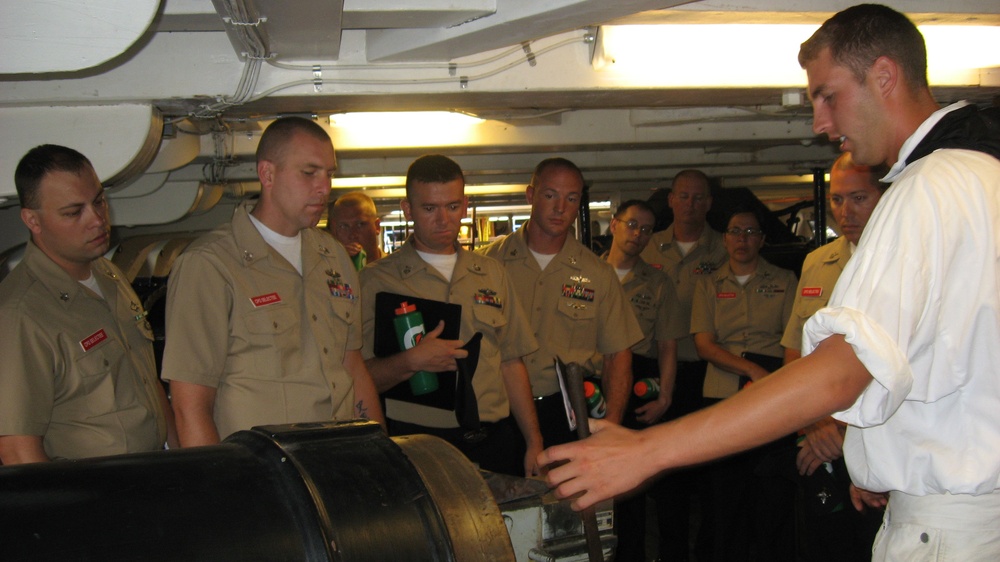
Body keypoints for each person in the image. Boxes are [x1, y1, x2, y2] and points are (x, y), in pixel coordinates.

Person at [541, 5, 1000, 560]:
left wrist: (647, 452)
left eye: (827, 95)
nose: (820, 123)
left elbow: (837, 374)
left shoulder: (928, 188)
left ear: (884, 75)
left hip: (948, 527)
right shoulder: (981, 177)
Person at [162, 116, 384, 446]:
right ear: (268, 174)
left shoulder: (333, 258)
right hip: (262, 474)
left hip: (336, 461)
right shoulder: (210, 265)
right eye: (309, 173)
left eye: (329, 174)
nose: (325, 188)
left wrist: (380, 453)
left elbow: (352, 368)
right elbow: (190, 406)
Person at [360, 155, 543, 477]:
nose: (443, 219)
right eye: (430, 208)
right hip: (418, 444)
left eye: (453, 207)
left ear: (466, 204)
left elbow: (511, 362)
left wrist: (534, 441)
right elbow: (360, 376)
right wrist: (411, 361)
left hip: (493, 439)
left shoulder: (491, 274)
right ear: (408, 209)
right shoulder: (377, 281)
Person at [0, 144, 176, 464]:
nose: (97, 220)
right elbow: (17, 448)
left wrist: (186, 464)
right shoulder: (21, 315)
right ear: (32, 221)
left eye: (98, 202)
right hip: (96, 499)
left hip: (152, 476)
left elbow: (146, 383)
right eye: (73, 212)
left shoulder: (108, 275)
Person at [479, 158, 643, 447]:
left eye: (571, 198)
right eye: (550, 195)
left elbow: (617, 355)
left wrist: (611, 427)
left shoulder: (598, 274)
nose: (560, 208)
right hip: (497, 410)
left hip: (567, 412)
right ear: (531, 195)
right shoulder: (486, 265)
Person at [782, 152, 887, 561]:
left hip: (878, 447)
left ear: (884, 198)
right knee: (827, 545)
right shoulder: (816, 263)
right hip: (819, 438)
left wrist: (845, 437)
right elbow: (795, 353)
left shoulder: (903, 267)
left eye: (859, 198)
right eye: (838, 200)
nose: (846, 212)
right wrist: (817, 424)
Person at [691, 207, 798, 561]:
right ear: (724, 238)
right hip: (723, 389)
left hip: (773, 390)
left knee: (771, 490)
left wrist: (776, 387)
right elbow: (705, 345)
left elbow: (791, 343)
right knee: (726, 492)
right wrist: (751, 370)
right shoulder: (707, 284)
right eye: (736, 232)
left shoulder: (785, 281)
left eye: (751, 232)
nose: (742, 239)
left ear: (763, 240)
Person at [640, 169, 728, 561]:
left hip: (710, 374)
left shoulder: (726, 248)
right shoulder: (648, 247)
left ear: (709, 203)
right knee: (666, 472)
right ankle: (672, 553)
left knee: (712, 475)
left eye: (699, 198)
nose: (690, 204)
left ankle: (709, 552)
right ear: (671, 200)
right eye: (683, 196)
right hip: (660, 373)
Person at [600, 199, 686, 562]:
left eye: (647, 229)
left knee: (631, 485)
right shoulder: (586, 273)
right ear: (614, 224)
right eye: (632, 224)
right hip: (592, 382)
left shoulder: (658, 282)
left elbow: (667, 345)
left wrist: (665, 396)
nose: (638, 234)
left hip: (638, 384)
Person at [327, 191, 384, 271]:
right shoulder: (325, 273)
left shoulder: (396, 270)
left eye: (360, 224)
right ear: (333, 230)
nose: (353, 234)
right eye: (344, 226)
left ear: (377, 226)